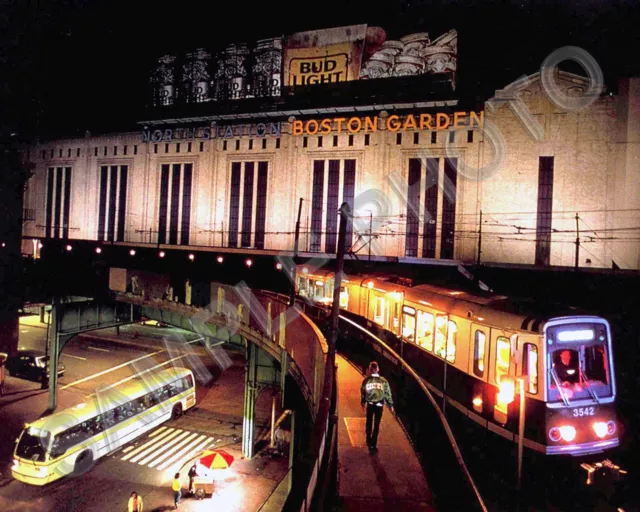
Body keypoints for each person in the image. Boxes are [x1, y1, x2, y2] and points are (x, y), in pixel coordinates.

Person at [360, 361, 394, 453]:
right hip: (379, 405)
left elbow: (363, 392)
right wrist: (391, 405)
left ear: (370, 370)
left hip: (370, 405)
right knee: (376, 425)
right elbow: (387, 394)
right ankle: (373, 445)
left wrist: (363, 403)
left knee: (369, 423)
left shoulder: (366, 381)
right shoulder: (383, 381)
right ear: (378, 369)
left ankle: (368, 440)